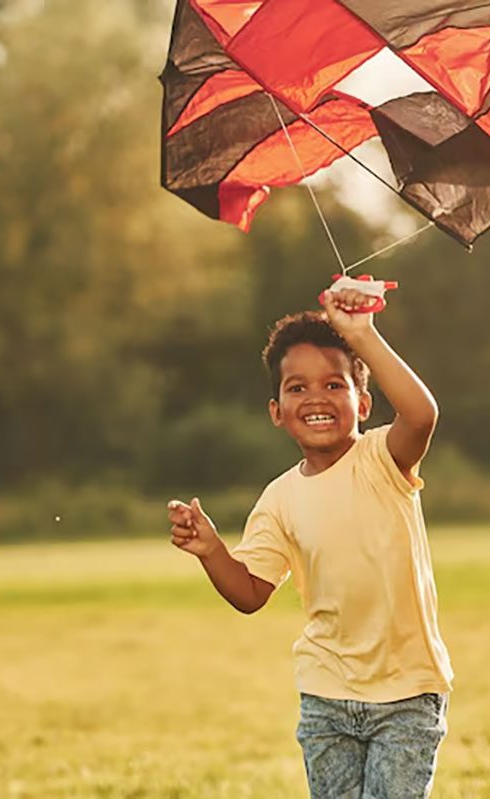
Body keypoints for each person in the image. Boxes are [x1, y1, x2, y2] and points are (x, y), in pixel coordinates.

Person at [167, 286, 453, 798]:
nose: (316, 397)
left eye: (333, 385)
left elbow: (421, 415)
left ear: (362, 402)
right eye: (297, 388)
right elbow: (251, 592)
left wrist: (361, 335)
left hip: (407, 695)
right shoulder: (278, 499)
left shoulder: (380, 459)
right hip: (326, 695)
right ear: (276, 411)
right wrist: (211, 551)